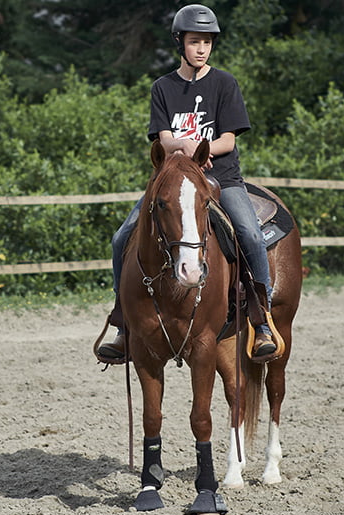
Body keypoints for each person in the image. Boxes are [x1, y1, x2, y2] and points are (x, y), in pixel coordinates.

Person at [97, 4, 277, 363]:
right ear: (180, 42)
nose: (201, 49)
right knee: (122, 238)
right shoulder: (163, 87)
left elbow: (228, 140)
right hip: (171, 182)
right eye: (195, 41)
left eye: (207, 42)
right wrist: (185, 147)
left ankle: (262, 319)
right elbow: (162, 140)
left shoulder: (224, 83)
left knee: (250, 234)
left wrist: (198, 147)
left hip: (220, 180)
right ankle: (122, 322)